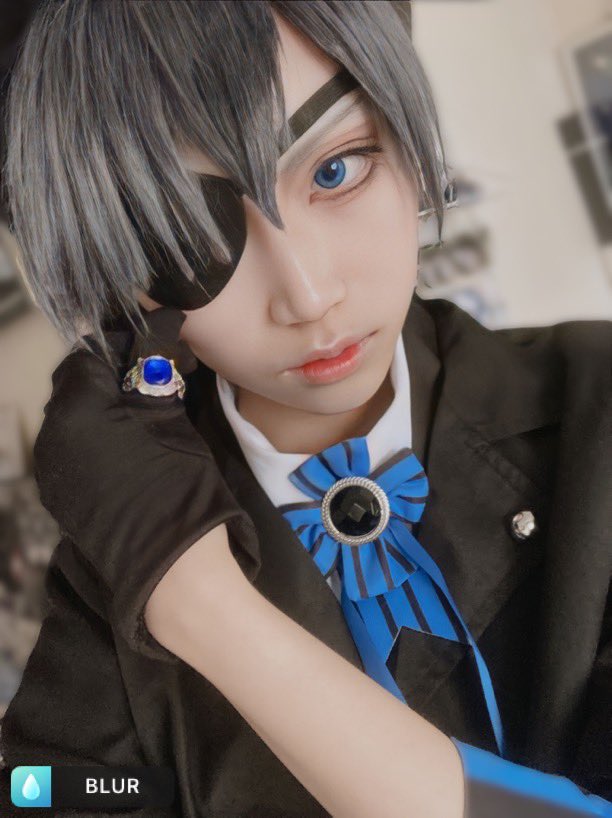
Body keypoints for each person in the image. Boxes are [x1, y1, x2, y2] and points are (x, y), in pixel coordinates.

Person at [0, 2, 610, 816]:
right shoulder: (116, 575)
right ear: (126, 288)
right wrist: (165, 571)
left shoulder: (597, 408)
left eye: (336, 170)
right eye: (189, 232)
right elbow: (39, 793)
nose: (307, 294)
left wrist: (206, 609)